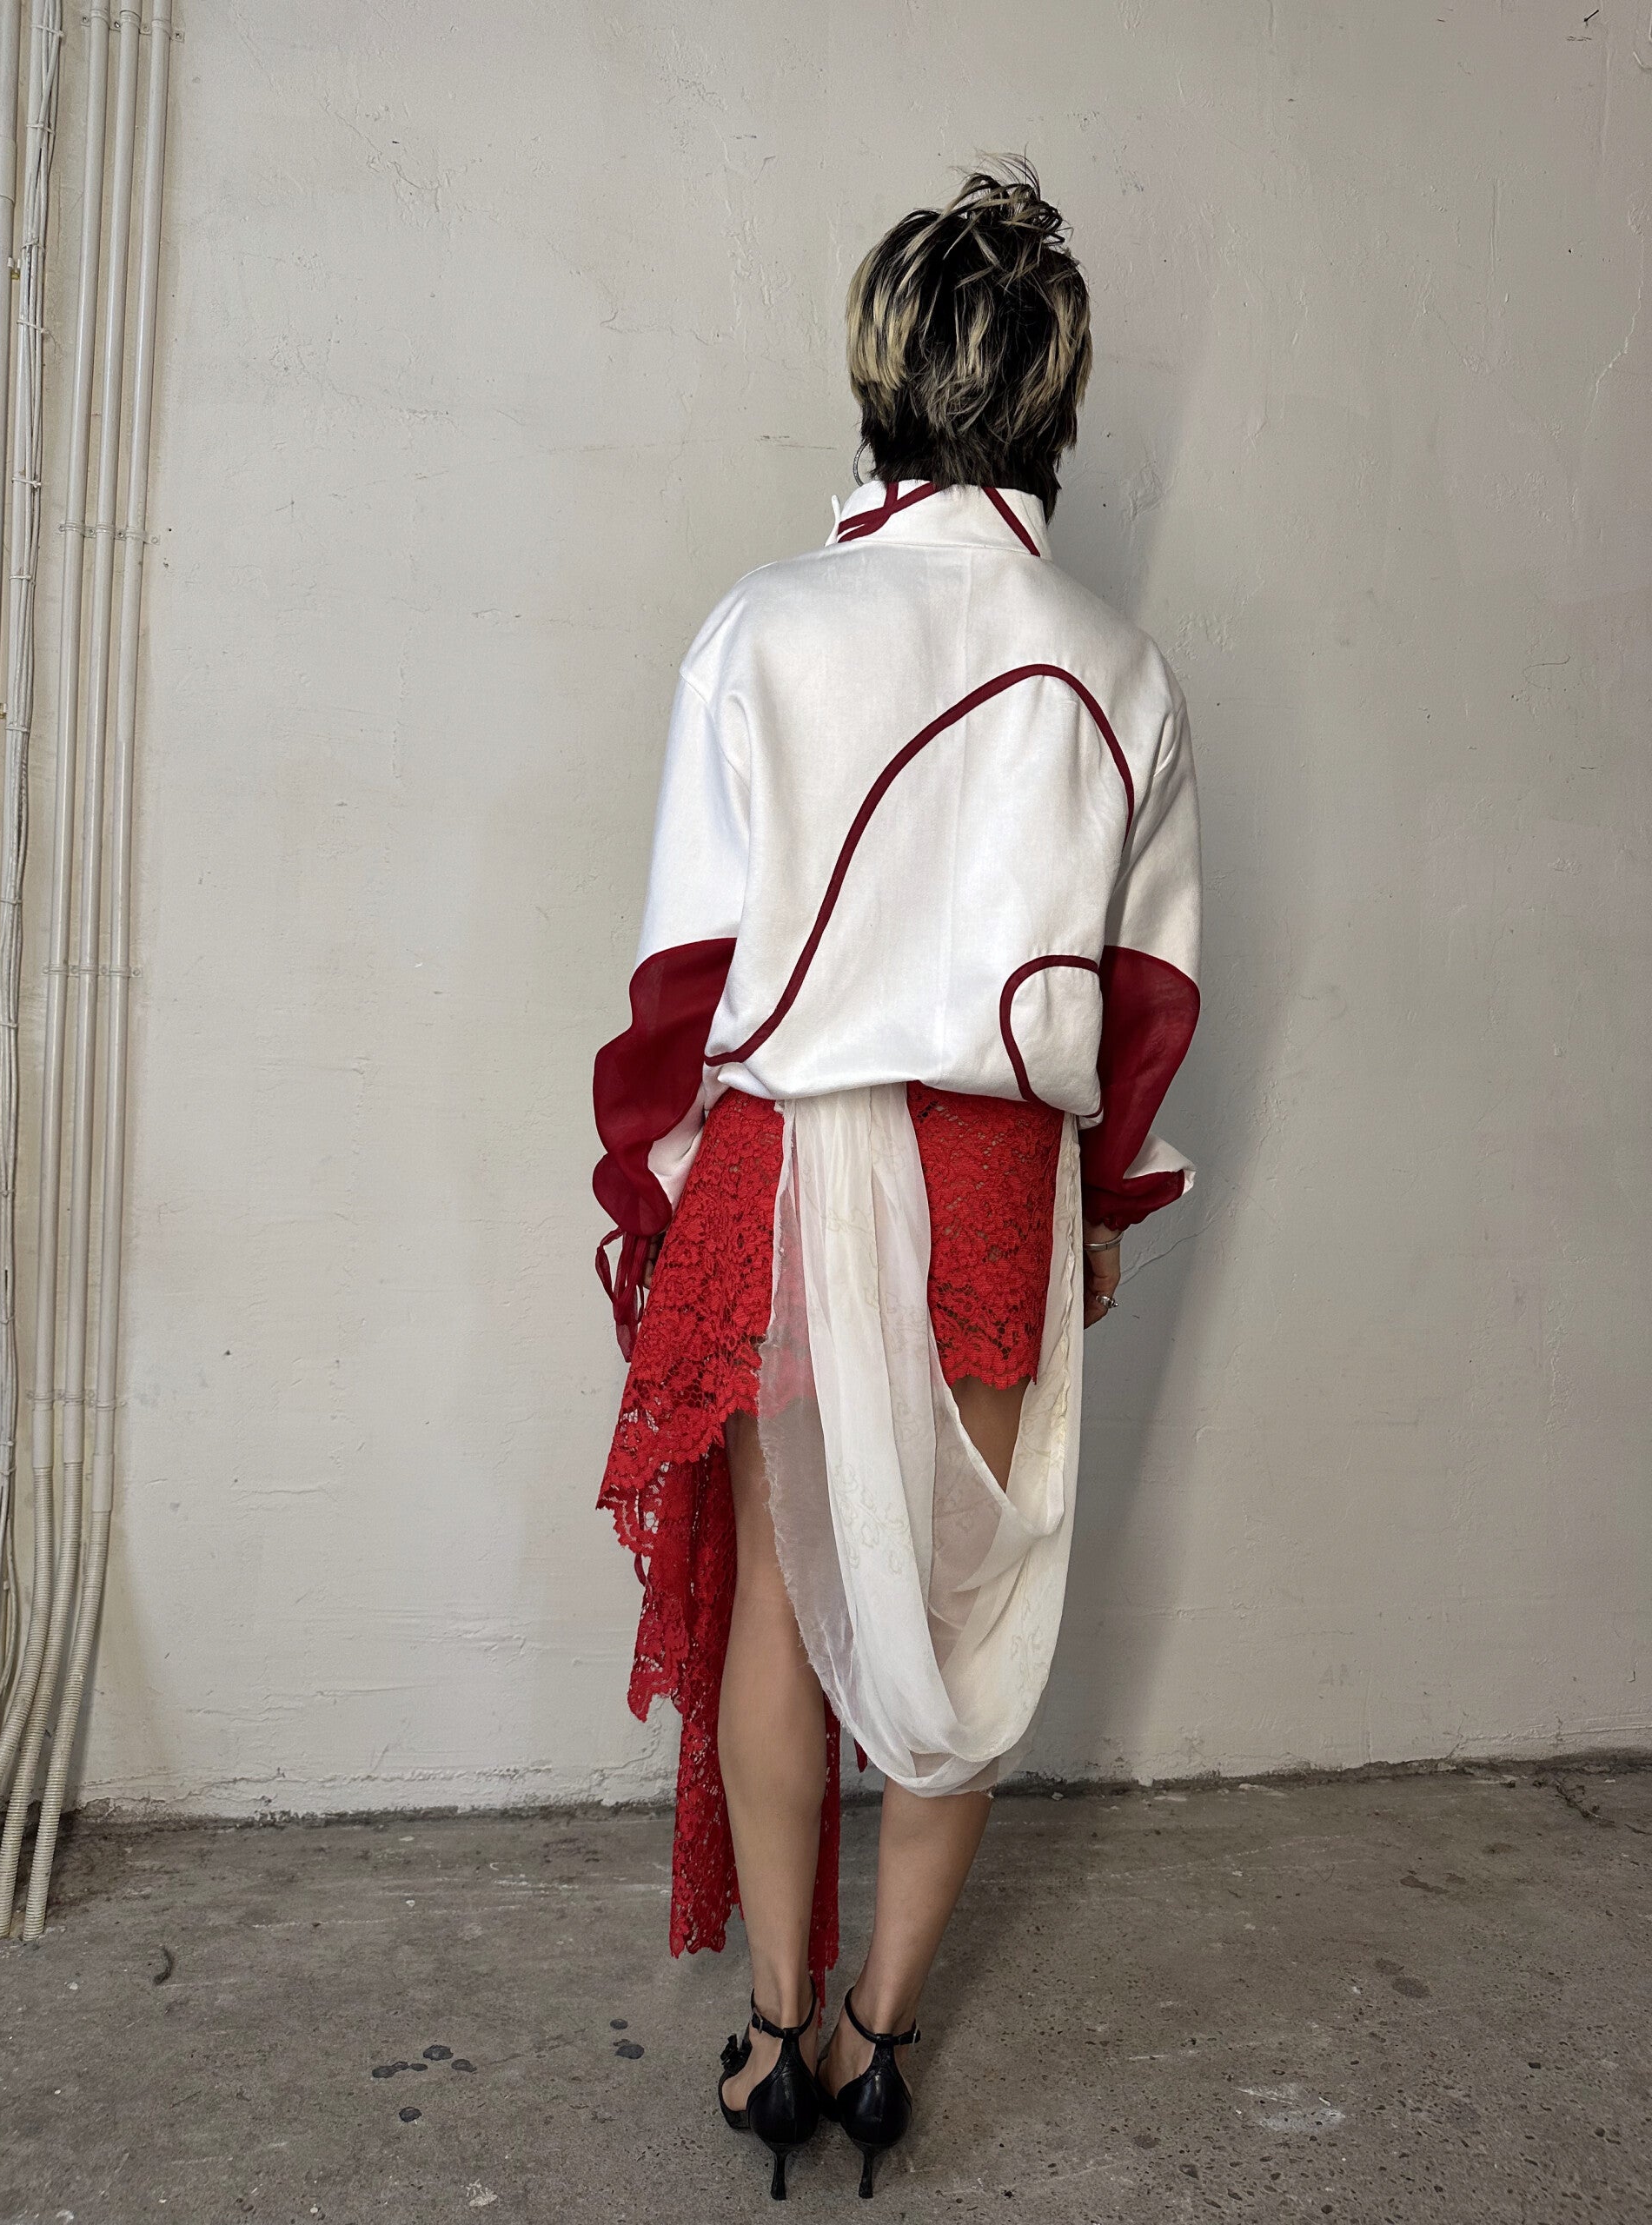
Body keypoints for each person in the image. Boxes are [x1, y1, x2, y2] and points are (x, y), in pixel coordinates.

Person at [590, 158, 1202, 2201]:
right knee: (959, 1604)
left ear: (875, 373)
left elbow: (684, 977)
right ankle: (880, 2040)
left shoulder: (762, 627)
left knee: (785, 1594)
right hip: (996, 1162)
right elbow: (1145, 1003)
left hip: (790, 1151)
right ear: (1058, 401)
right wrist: (1101, 1208)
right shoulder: (1119, 669)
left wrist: (652, 1188)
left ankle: (777, 2026)